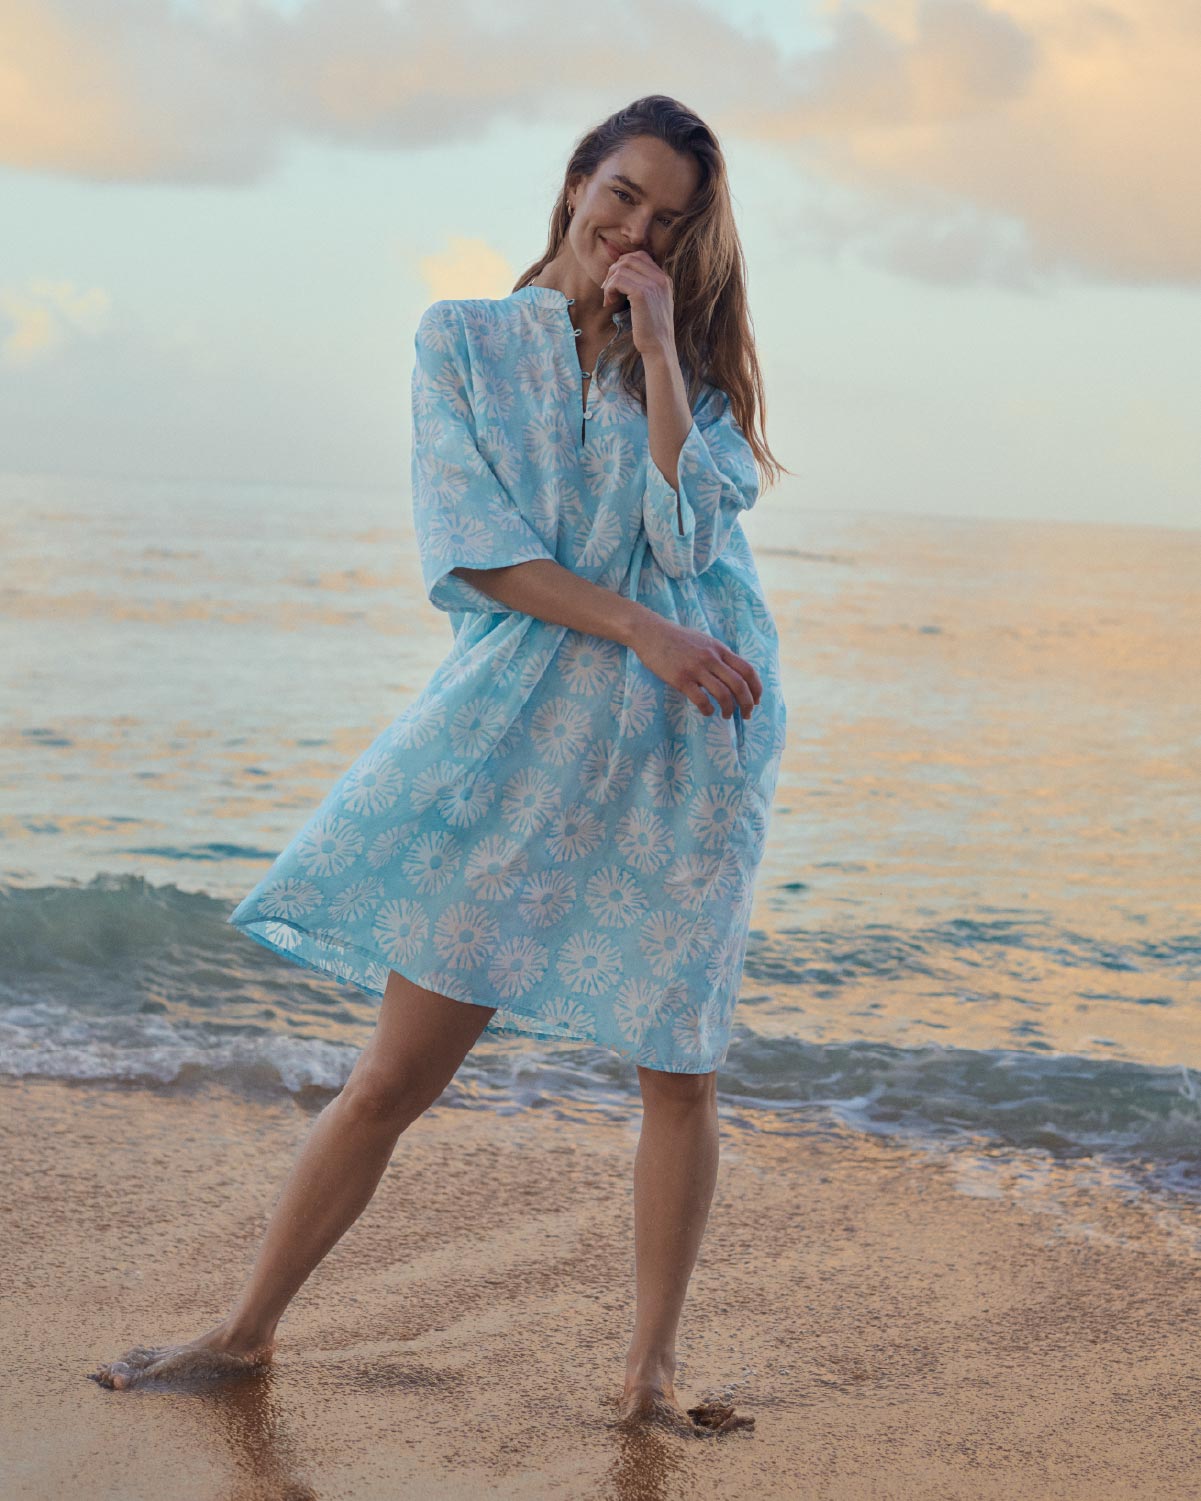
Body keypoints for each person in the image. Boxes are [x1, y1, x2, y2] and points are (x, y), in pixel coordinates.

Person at [90, 94, 788, 1434]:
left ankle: (647, 1374)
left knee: (679, 1071)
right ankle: (243, 1334)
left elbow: (692, 539)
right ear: (577, 176)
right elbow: (471, 555)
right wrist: (636, 624)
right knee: (396, 1074)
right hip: (519, 735)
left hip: (680, 747)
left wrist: (654, 353)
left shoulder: (692, 377)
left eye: (670, 218)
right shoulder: (462, 341)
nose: (636, 228)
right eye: (624, 193)